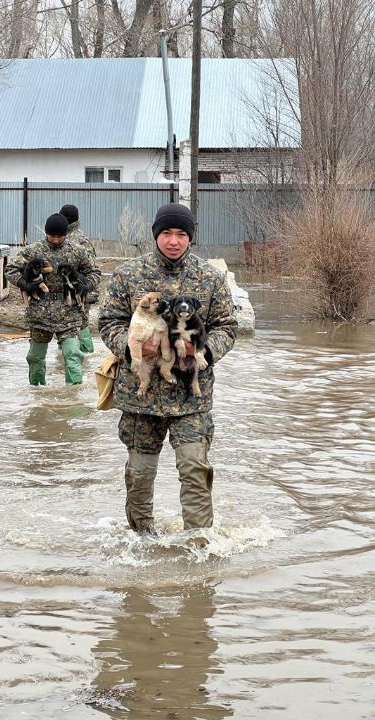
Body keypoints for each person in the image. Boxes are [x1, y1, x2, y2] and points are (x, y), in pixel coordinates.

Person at [98, 203, 237, 536]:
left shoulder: (211, 278)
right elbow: (108, 322)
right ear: (156, 235)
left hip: (191, 396)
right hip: (140, 397)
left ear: (190, 237)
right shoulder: (128, 275)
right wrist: (134, 346)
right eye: (166, 234)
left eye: (181, 234)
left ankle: (200, 545)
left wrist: (203, 348)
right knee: (140, 474)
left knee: (194, 468)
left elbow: (227, 327)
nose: (173, 241)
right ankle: (142, 542)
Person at [6, 212, 100, 386]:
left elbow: (94, 272)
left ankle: (73, 396)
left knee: (73, 354)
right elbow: (10, 269)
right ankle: (37, 390)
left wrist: (87, 286)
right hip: (40, 311)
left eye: (60, 236)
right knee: (35, 357)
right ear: (46, 233)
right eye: (52, 236)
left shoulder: (77, 251)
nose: (56, 240)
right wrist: (24, 284)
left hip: (69, 311)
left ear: (66, 234)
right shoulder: (33, 250)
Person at [59, 204, 97, 353]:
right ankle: (70, 355)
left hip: (80, 290)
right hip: (72, 290)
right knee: (73, 324)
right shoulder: (72, 236)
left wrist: (86, 288)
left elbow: (92, 268)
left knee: (80, 323)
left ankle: (86, 354)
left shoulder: (77, 240)